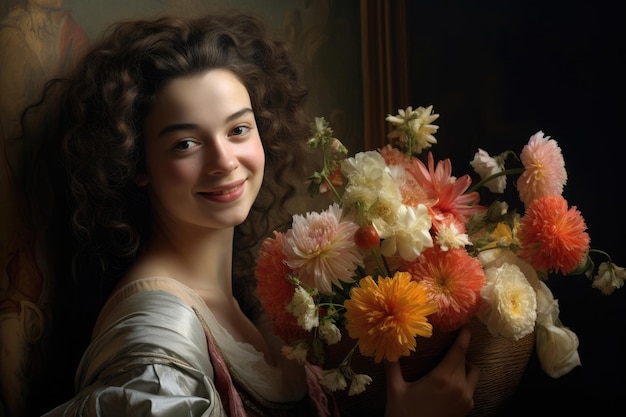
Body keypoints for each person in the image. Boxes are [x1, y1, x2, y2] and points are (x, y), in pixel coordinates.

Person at [23, 10, 479, 417]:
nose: (224, 161)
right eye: (186, 143)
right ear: (138, 163)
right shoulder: (159, 337)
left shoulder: (250, 302)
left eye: (239, 129)